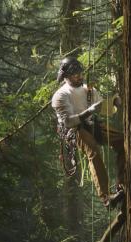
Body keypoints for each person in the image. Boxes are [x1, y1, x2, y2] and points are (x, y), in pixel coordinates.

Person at [52, 57, 124, 208]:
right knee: (94, 152)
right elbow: (69, 122)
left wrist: (115, 102)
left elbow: (104, 107)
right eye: (75, 74)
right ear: (65, 76)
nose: (79, 76)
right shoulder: (61, 95)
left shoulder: (88, 90)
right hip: (75, 130)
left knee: (122, 141)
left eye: (80, 73)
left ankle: (122, 185)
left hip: (93, 125)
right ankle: (106, 197)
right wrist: (88, 111)